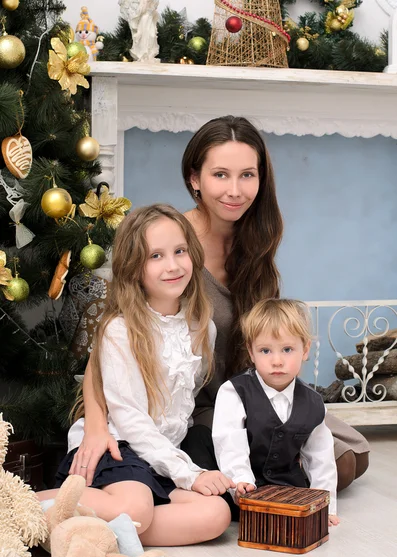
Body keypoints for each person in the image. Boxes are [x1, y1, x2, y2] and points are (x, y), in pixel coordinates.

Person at [70, 116, 369, 496]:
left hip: (255, 390)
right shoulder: (171, 248)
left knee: (353, 455)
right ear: (195, 178)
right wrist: (96, 424)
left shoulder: (256, 241)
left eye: (247, 175)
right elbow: (109, 341)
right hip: (203, 410)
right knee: (335, 466)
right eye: (220, 175)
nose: (235, 190)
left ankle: (268, 464)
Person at [37, 204, 232, 547]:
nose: (172, 265)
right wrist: (190, 473)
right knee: (134, 506)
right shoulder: (120, 330)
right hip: (119, 447)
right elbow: (130, 420)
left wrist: (180, 467)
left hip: (160, 456)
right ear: (133, 268)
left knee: (216, 514)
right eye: (155, 256)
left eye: (179, 251)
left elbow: (180, 408)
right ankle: (21, 506)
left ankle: (100, 534)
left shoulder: (203, 328)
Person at [212, 298, 340, 526]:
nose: (277, 361)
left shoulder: (313, 402)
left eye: (287, 349)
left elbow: (321, 458)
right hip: (241, 486)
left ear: (305, 350)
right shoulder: (234, 391)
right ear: (251, 352)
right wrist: (242, 482)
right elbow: (230, 443)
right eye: (265, 351)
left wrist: (324, 506)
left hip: (287, 488)